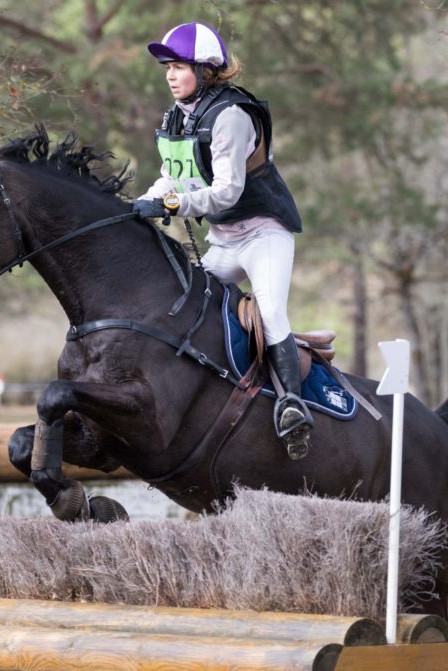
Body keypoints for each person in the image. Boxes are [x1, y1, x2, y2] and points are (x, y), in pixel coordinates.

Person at [130, 22, 313, 458]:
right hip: (225, 241)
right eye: (167, 68)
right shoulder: (179, 115)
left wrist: (172, 206)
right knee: (183, 300)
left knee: (268, 311)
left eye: (178, 67)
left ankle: (292, 404)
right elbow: (171, 178)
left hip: (264, 235)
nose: (170, 75)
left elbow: (227, 191)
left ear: (206, 70)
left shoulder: (231, 115)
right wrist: (140, 204)